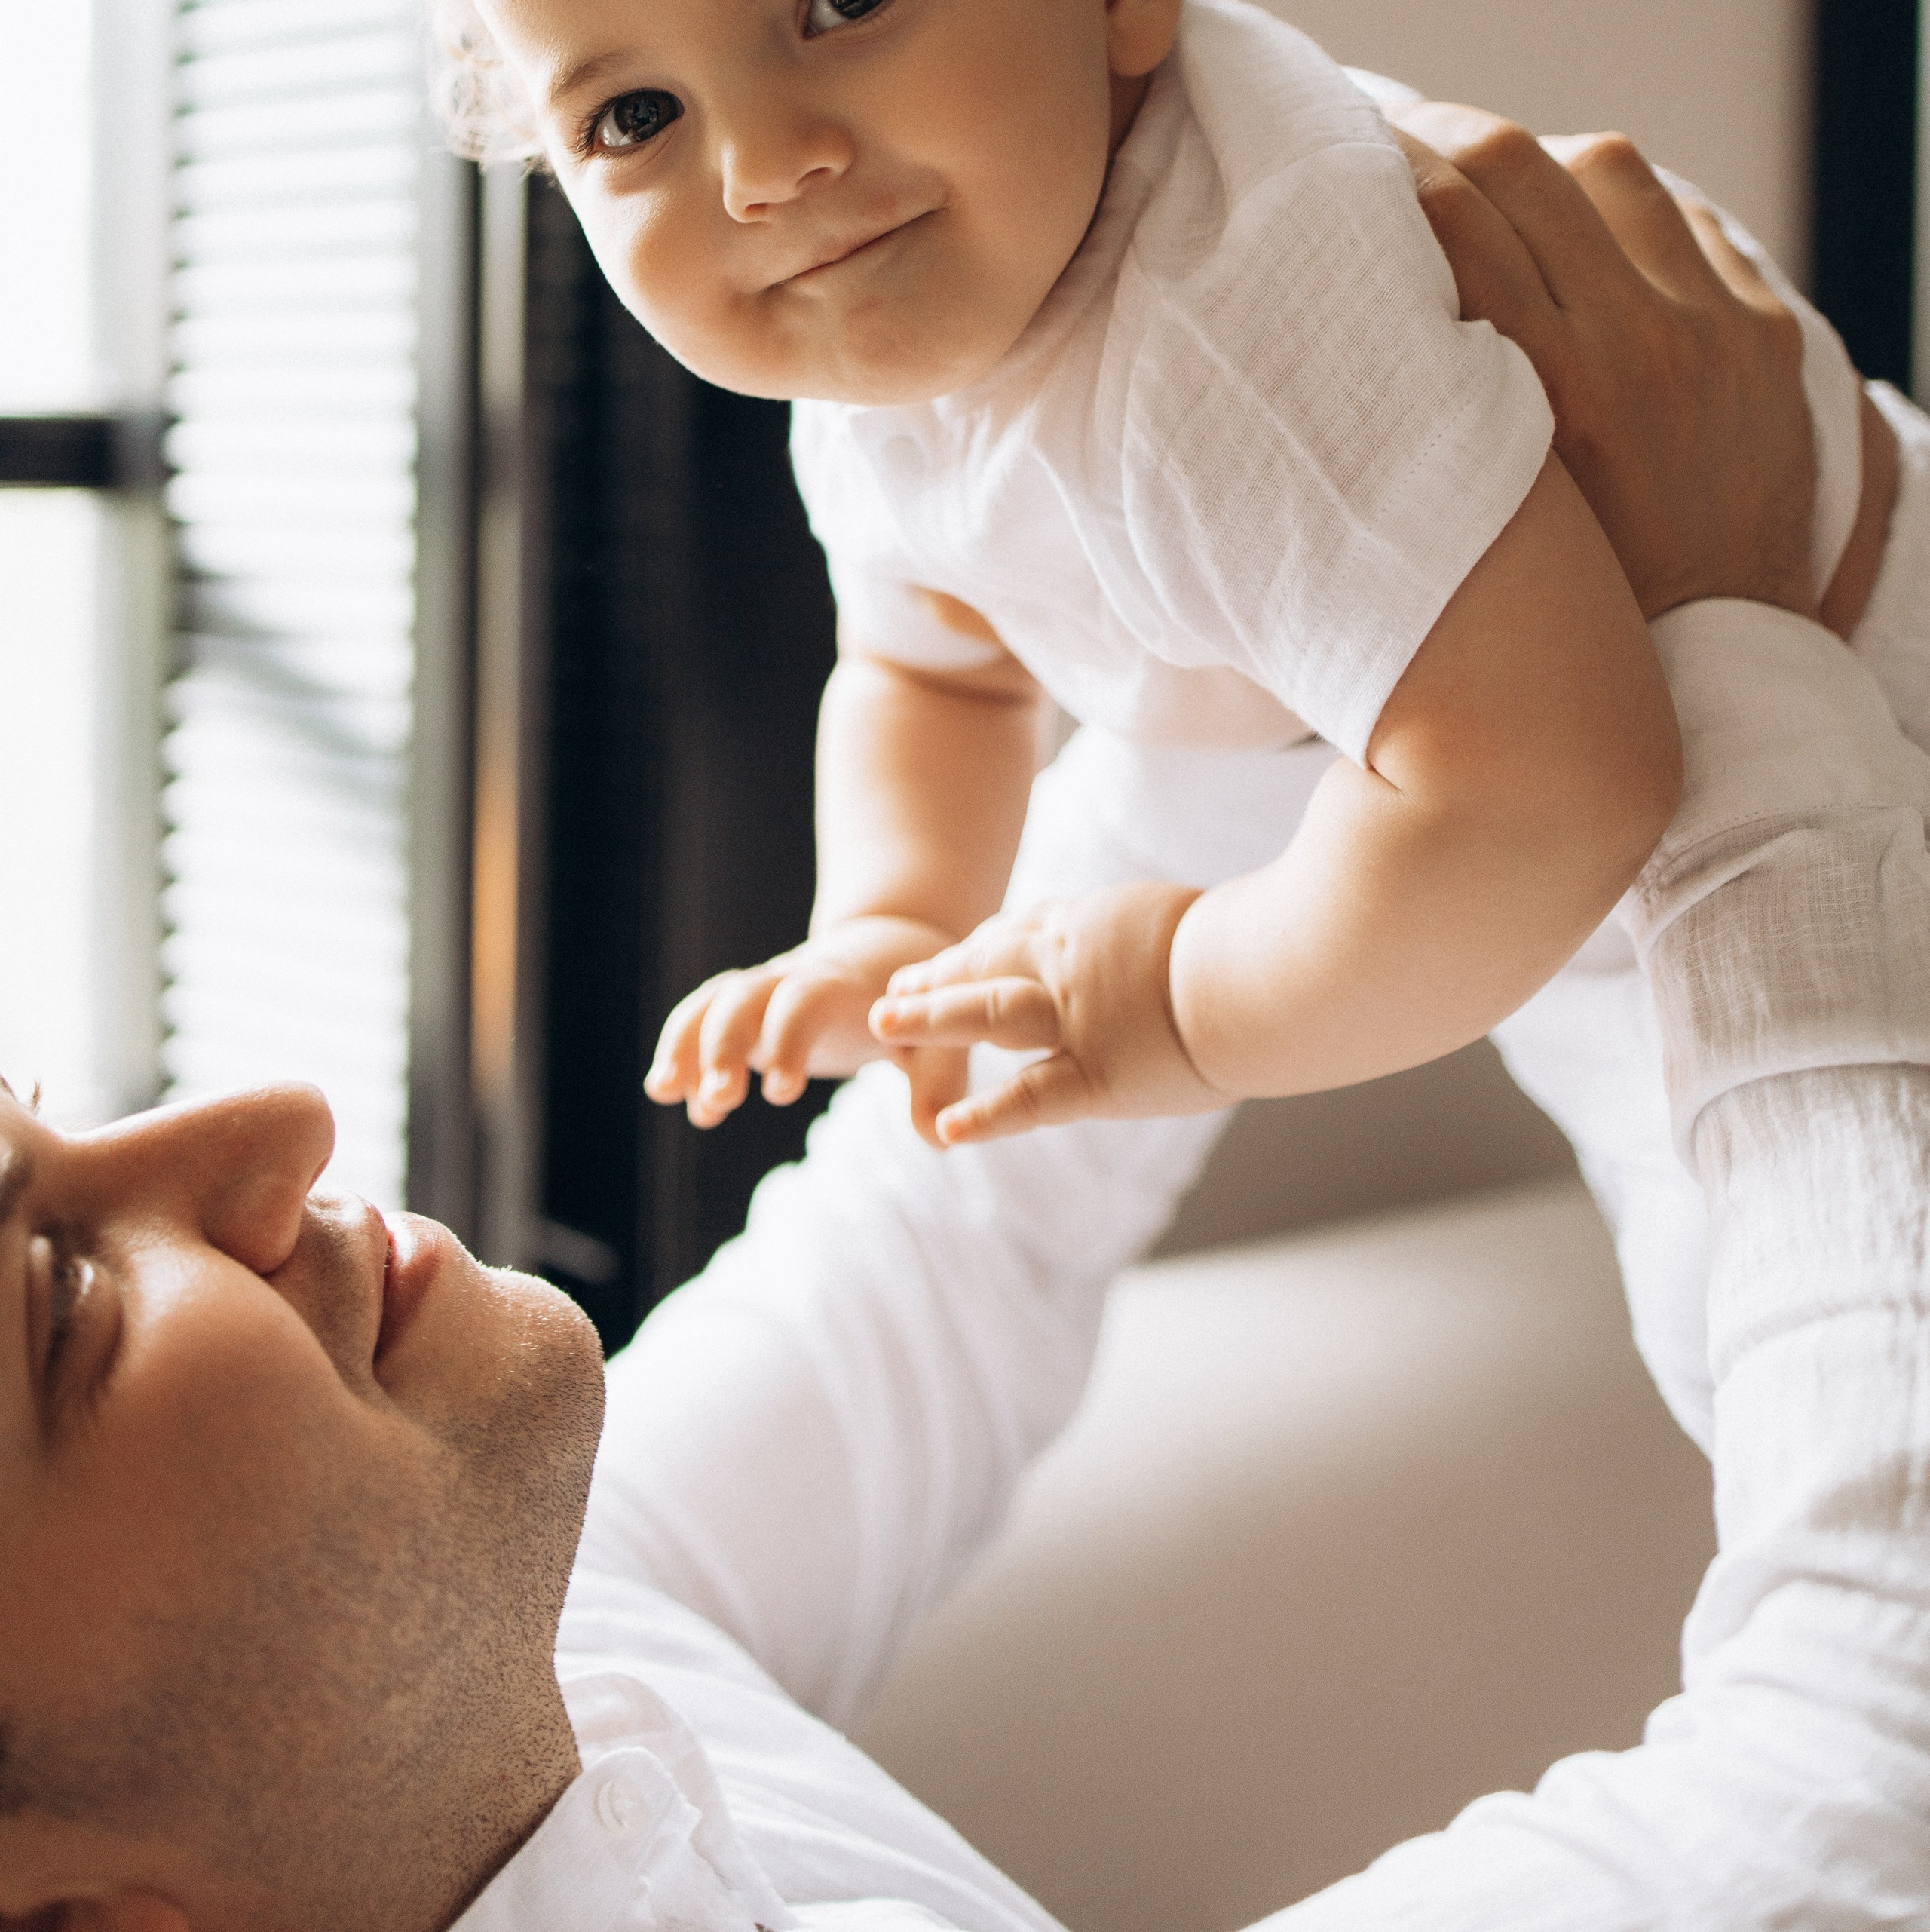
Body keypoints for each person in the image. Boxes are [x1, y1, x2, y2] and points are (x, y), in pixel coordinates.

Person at [5, 114, 1928, 1930]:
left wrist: (1329, 544)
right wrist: (1731, 633)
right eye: (57, 1304)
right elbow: (1878, 1770)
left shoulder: (530, 1646)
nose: (271, 1125)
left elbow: (955, 1235)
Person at [375, 0, 1823, 1156]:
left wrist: (1179, 1004)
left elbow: (1552, 787)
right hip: (1539, 790)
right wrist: (891, 925)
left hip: (1825, 730)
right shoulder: (883, 333)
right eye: (634, 117)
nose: (762, 169)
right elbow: (934, 666)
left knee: (1777, 1186)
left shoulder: (1234, 320)